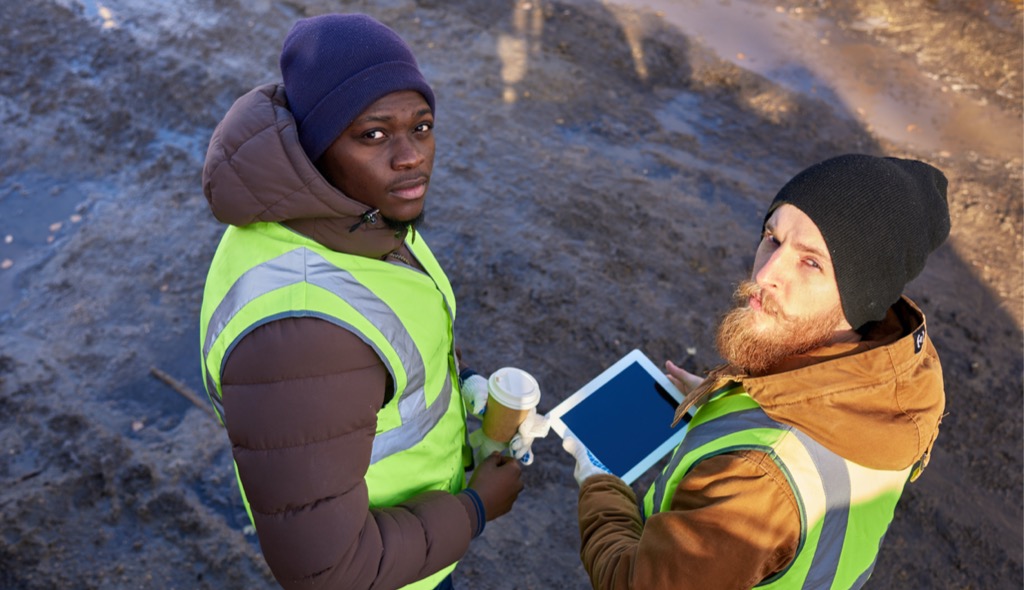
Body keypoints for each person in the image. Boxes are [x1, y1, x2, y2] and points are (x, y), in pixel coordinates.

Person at [198, 14, 532, 590]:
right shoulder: (304, 337)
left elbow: (382, 343)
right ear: (315, 143)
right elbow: (327, 571)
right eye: (372, 134)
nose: (411, 157)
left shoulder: (352, 218)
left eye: (421, 126)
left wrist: (462, 385)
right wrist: (475, 509)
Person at [562, 154, 950, 589]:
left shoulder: (757, 477)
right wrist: (734, 399)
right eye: (772, 237)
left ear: (865, 294)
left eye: (811, 262)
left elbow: (634, 583)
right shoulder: (888, 381)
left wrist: (600, 482)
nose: (766, 273)